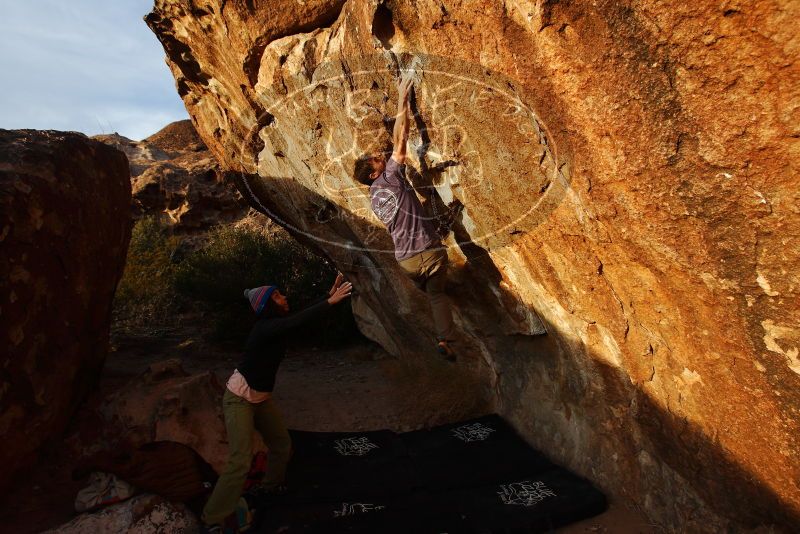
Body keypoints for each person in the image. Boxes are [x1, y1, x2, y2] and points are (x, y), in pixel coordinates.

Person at [201, 274, 352, 532]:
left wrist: (329, 294)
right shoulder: (265, 328)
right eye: (279, 295)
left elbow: (299, 317)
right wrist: (330, 303)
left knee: (281, 444)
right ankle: (212, 518)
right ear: (269, 304)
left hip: (260, 398)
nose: (285, 297)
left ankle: (269, 488)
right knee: (240, 461)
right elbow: (297, 321)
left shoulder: (277, 323)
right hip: (239, 399)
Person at [354, 75, 457, 358]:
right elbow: (401, 138)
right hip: (428, 254)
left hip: (406, 262)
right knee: (438, 293)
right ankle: (445, 339)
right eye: (374, 159)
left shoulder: (374, 197)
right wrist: (402, 99)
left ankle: (443, 296)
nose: (378, 155)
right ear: (375, 173)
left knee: (434, 289)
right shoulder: (390, 177)